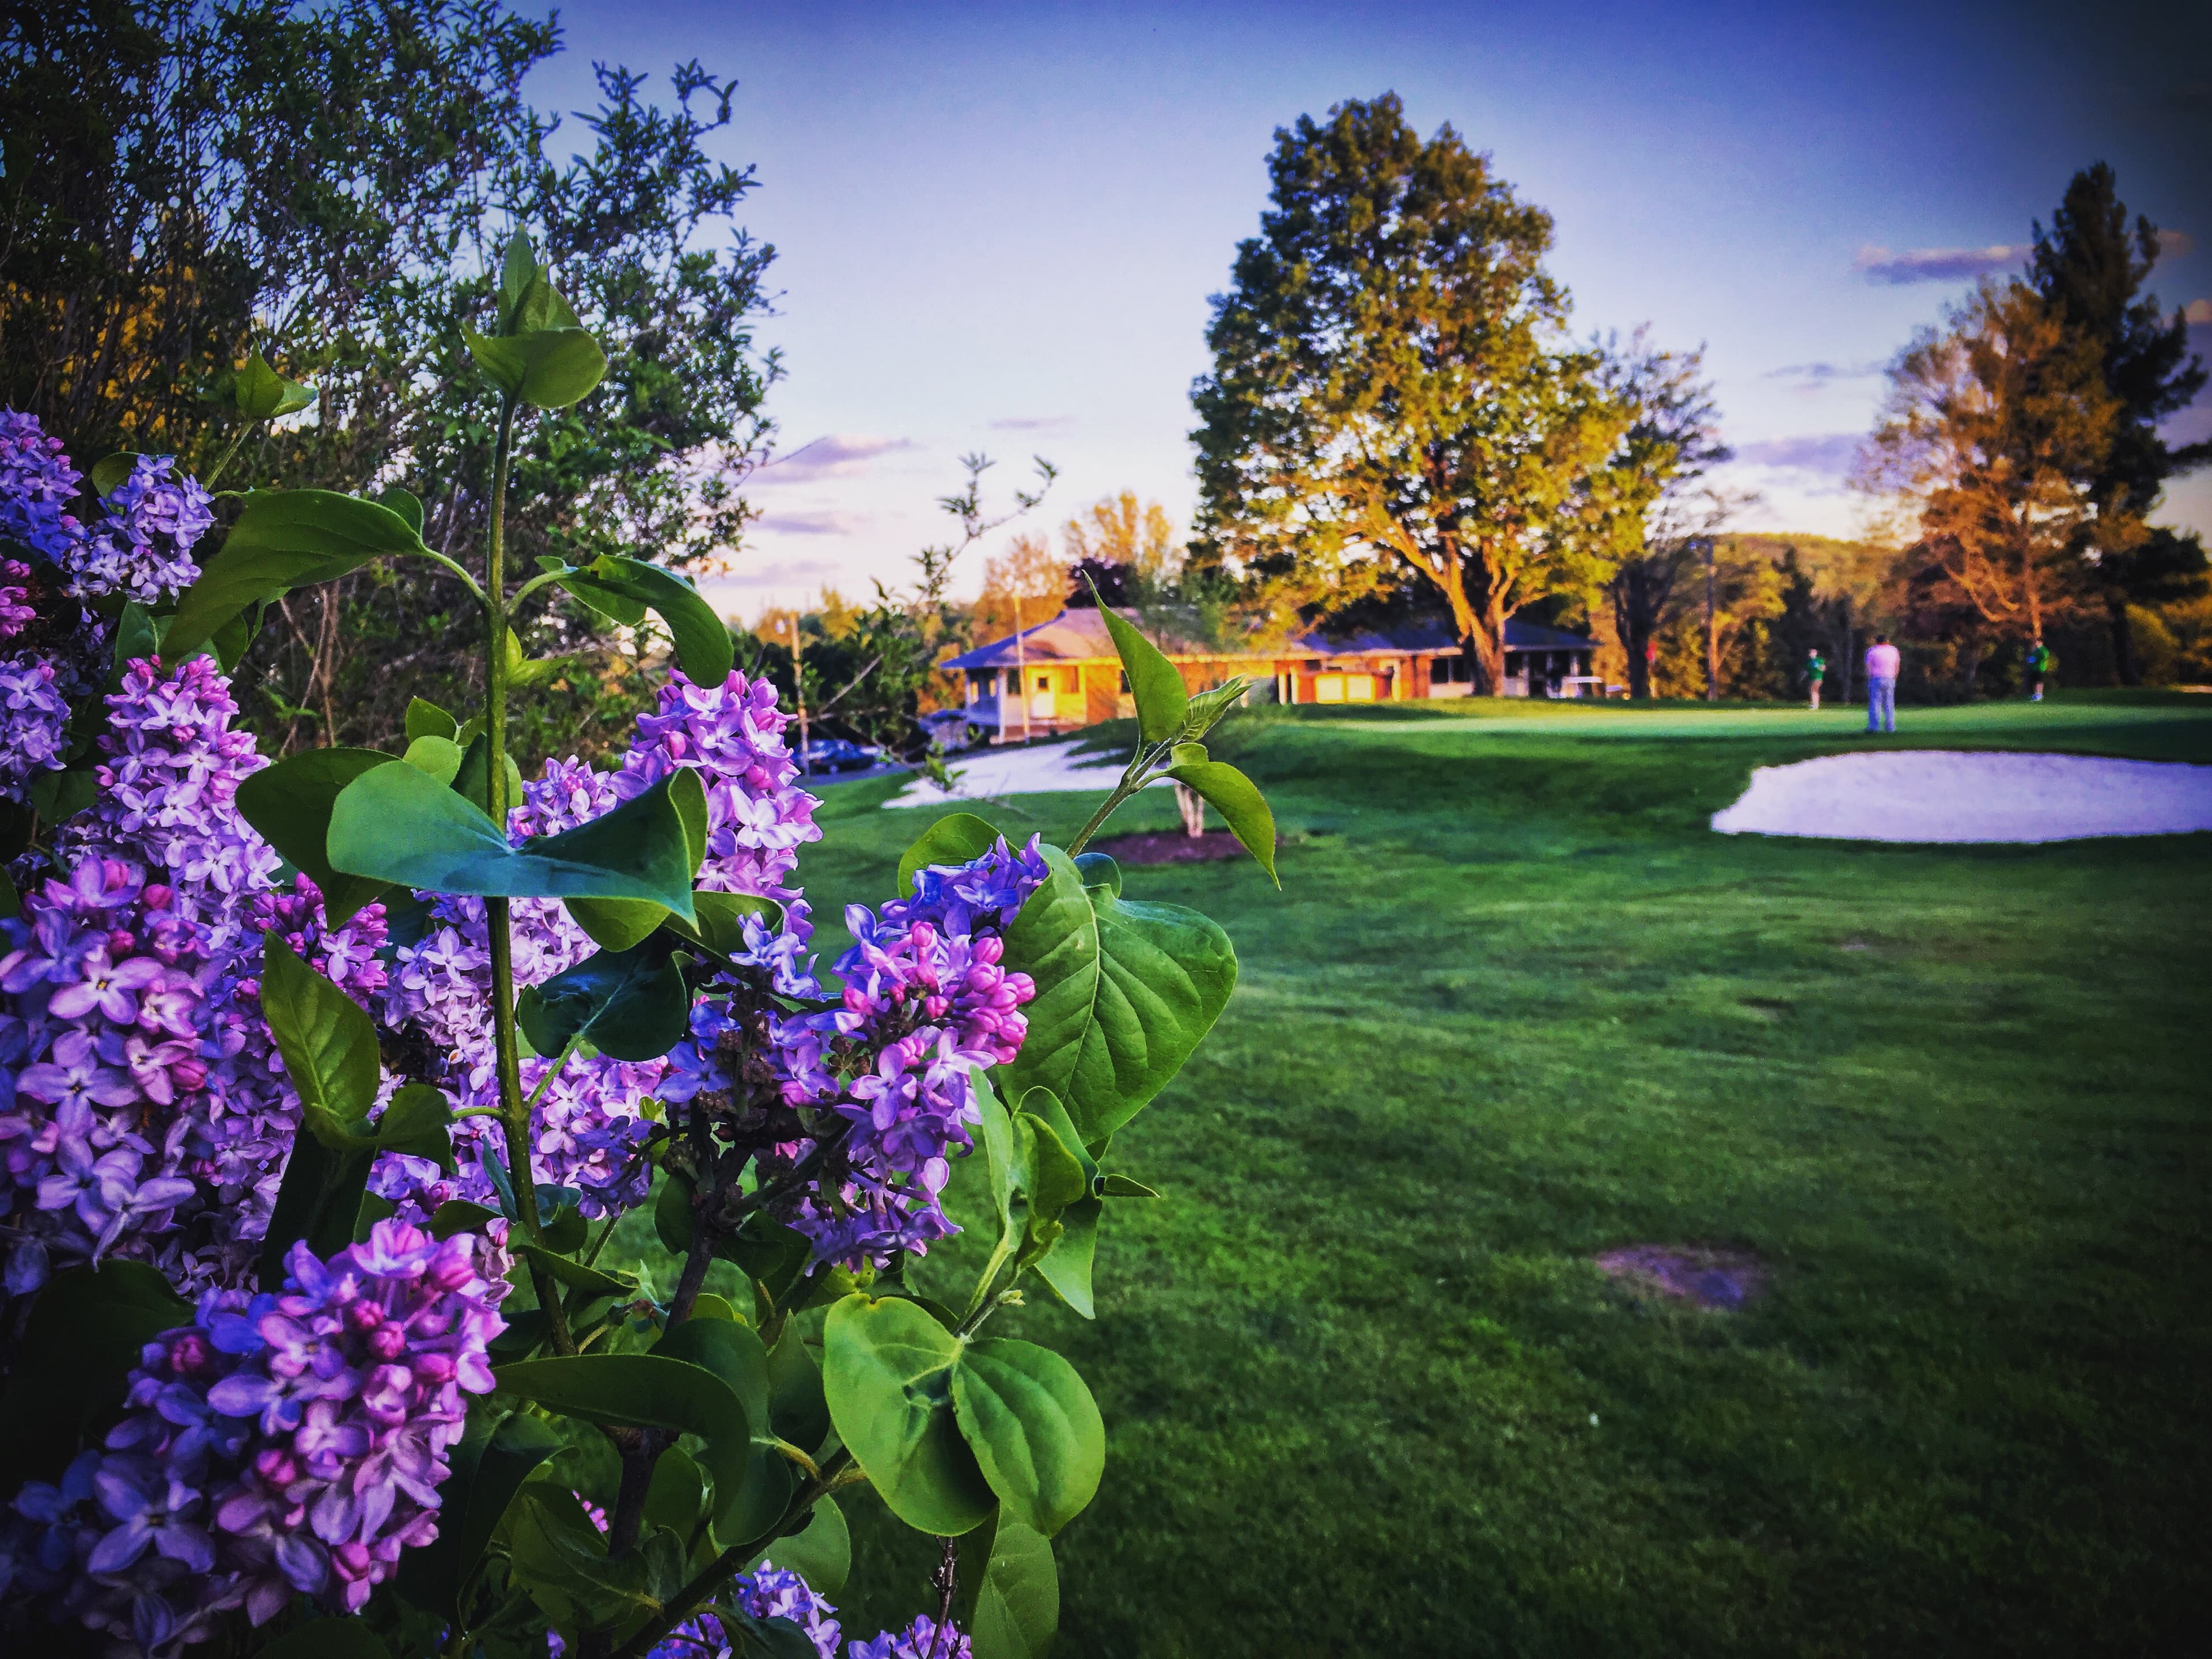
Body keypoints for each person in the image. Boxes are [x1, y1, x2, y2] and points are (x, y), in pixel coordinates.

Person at [1865, 634, 1900, 733]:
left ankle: (1874, 727)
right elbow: (1897, 666)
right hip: (1890, 678)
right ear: (1887, 641)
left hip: (1876, 678)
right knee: (1889, 704)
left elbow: (1869, 667)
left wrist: (1870, 678)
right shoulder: (1893, 651)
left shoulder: (1872, 651)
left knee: (1875, 704)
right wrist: (1894, 678)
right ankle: (1890, 727)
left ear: (1877, 641)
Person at [2025, 638, 2052, 702]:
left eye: (2037, 643)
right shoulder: (2036, 650)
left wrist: (2036, 660)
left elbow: (2045, 657)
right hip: (2034, 668)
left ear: (2041, 643)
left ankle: (2039, 695)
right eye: (2035, 643)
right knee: (2034, 682)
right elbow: (2033, 658)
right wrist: (2029, 660)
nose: (2036, 644)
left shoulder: (2043, 650)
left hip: (2040, 668)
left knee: (2039, 682)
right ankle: (2035, 695)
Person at [1805, 647, 1827, 711]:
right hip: (1812, 678)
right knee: (1812, 691)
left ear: (1816, 654)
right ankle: (1813, 704)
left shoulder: (1820, 660)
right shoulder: (1809, 662)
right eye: (1810, 653)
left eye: (1813, 653)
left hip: (1818, 678)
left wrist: (1817, 666)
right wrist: (1802, 678)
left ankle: (1815, 705)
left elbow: (1823, 669)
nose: (1811, 654)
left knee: (1814, 690)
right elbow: (1806, 671)